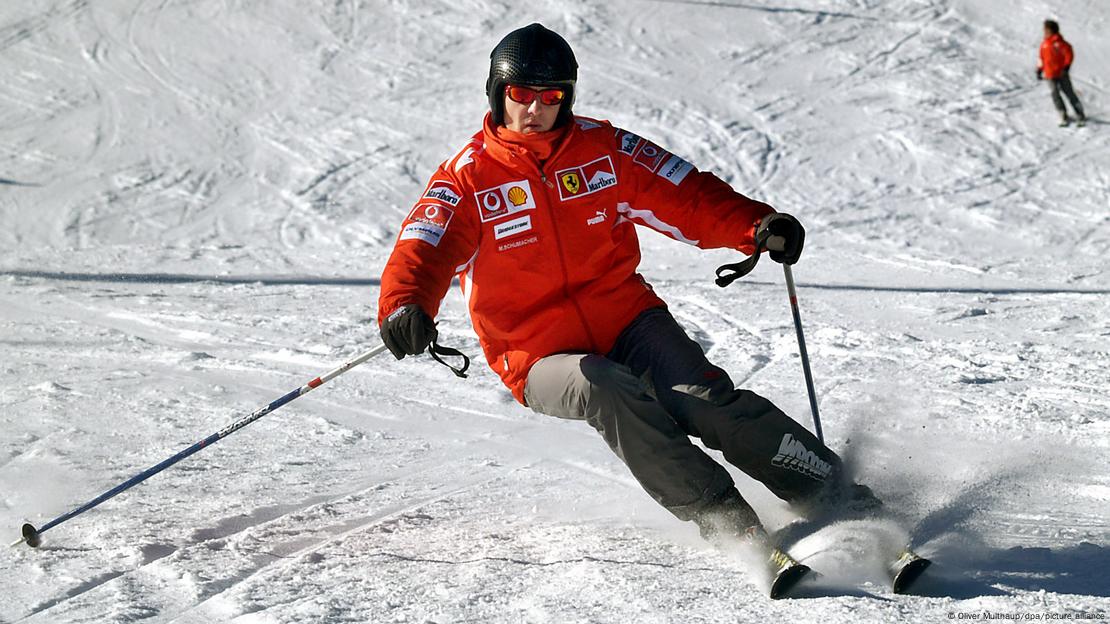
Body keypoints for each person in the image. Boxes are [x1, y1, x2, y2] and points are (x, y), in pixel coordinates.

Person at [377, 23, 877, 552]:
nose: (533, 109)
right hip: (535, 352)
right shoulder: (467, 178)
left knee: (705, 402)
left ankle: (828, 489)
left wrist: (755, 226)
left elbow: (684, 193)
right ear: (498, 94)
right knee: (604, 387)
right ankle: (725, 516)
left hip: (627, 320)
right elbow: (422, 248)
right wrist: (404, 306)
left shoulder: (605, 150)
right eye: (519, 94)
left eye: (549, 97)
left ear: (566, 98)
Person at [1037, 20, 1086, 127]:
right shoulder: (1044, 44)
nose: (1044, 32)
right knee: (1055, 94)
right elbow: (1041, 58)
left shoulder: (1061, 44)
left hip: (1061, 73)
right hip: (1049, 74)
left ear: (1052, 31)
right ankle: (1062, 113)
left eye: (1046, 30)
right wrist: (1039, 69)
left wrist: (1066, 67)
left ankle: (1080, 113)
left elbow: (1069, 55)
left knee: (1068, 92)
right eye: (1044, 30)